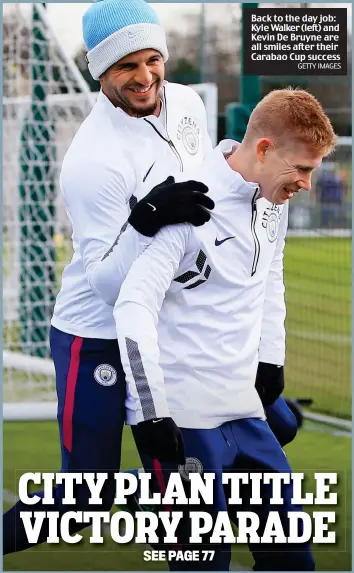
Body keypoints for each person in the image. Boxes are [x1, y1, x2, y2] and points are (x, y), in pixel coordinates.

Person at [3, 0, 215, 554]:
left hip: (166, 330)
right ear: (101, 72)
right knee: (83, 501)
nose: (145, 77)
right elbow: (106, 285)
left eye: (152, 60)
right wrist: (145, 219)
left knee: (184, 499)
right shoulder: (91, 158)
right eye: (126, 66)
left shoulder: (189, 103)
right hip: (94, 336)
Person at [114, 88, 336, 571]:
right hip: (185, 423)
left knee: (293, 561)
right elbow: (131, 307)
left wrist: (270, 358)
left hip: (245, 414)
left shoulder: (273, 199)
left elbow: (271, 276)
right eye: (301, 170)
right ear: (263, 150)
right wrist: (152, 415)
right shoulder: (188, 204)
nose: (306, 183)